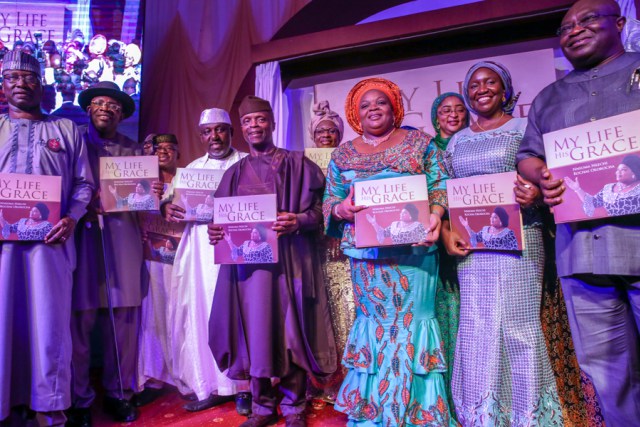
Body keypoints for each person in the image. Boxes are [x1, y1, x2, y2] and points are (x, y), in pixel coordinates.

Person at [516, 0, 640, 424]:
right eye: (566, 26)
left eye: (588, 19)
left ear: (620, 23)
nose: (574, 30)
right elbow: (528, 155)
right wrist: (542, 175)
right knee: (607, 373)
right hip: (582, 252)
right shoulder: (549, 97)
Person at [324, 78, 455, 426]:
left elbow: (440, 185)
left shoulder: (420, 143)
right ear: (355, 113)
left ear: (394, 106)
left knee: (414, 325)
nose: (373, 109)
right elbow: (330, 201)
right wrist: (341, 209)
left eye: (380, 102)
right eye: (365, 105)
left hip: (415, 254)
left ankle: (419, 415)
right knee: (377, 327)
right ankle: (376, 413)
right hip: (368, 260)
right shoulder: (343, 154)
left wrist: (437, 215)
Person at [442, 61, 562, 425]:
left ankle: (526, 413)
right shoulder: (457, 140)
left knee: (517, 322)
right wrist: (447, 232)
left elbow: (548, 179)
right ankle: (481, 412)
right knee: (477, 323)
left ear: (505, 89)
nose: (482, 89)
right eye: (474, 84)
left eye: (490, 82)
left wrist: (536, 195)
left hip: (521, 240)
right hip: (473, 247)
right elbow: (445, 193)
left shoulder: (524, 130)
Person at [207, 96, 336, 427]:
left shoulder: (298, 164)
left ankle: (294, 406)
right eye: (248, 122)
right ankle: (263, 407)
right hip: (248, 272)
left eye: (260, 120)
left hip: (289, 264)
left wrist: (299, 221)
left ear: (272, 122)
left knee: (290, 331)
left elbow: (322, 212)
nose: (254, 127)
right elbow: (221, 221)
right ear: (242, 128)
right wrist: (217, 233)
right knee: (254, 334)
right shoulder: (233, 174)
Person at [0, 51, 93, 427]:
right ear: (3, 86)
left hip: (51, 245)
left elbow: (85, 184)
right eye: (13, 78)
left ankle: (49, 407)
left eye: (29, 78)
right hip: (3, 249)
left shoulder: (67, 131)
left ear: (44, 85)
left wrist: (71, 218)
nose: (21, 84)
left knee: (50, 324)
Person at [162, 108, 249, 413]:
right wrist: (167, 210)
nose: (215, 136)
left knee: (238, 313)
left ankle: (243, 387)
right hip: (200, 251)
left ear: (230, 132)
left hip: (238, 249)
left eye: (221, 130)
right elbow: (169, 203)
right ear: (200, 136)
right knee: (202, 311)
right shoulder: (192, 170)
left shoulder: (247, 163)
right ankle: (210, 384)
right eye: (208, 131)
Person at [69, 80, 145, 426]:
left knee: (123, 323)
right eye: (99, 102)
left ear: (122, 114)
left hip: (122, 241)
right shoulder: (72, 145)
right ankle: (79, 398)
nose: (105, 108)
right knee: (80, 321)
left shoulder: (135, 152)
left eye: (113, 105)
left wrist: (153, 190)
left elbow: (147, 201)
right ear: (88, 109)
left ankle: (119, 393)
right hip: (83, 241)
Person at [306, 101, 354, 406]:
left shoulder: (350, 159)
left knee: (346, 312)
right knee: (319, 315)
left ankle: (350, 378)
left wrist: (337, 231)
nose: (327, 134)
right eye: (321, 130)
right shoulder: (304, 162)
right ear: (313, 136)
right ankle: (322, 378)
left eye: (332, 130)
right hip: (314, 248)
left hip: (343, 248)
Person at [429, 92, 469, 417]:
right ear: (435, 116)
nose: (453, 115)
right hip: (438, 243)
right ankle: (447, 396)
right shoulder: (427, 152)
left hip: (475, 236)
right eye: (445, 110)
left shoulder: (474, 145)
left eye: (459, 109)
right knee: (446, 315)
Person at [135, 133, 182, 406]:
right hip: (151, 258)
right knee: (152, 314)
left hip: (180, 257)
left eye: (169, 148)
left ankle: (181, 372)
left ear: (178, 152)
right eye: (159, 148)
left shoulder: (187, 179)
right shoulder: (143, 182)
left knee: (178, 311)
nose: (163, 152)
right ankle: (154, 376)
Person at [564, 154, 640, 217]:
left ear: (634, 172)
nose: (618, 172)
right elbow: (592, 202)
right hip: (614, 229)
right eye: (617, 169)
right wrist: (577, 189)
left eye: (623, 169)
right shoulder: (608, 188)